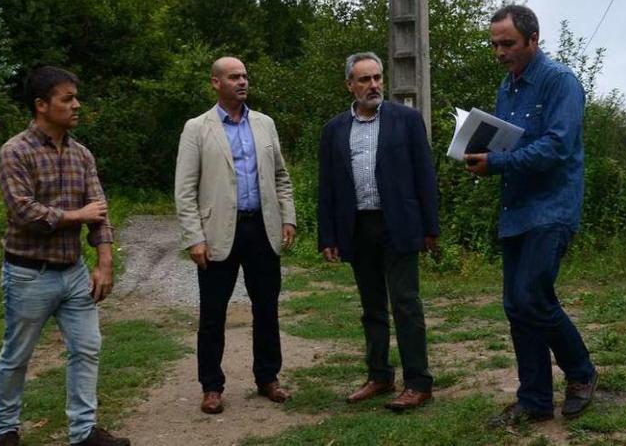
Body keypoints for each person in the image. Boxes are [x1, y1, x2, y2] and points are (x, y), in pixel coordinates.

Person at [465, 5, 598, 427]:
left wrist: (498, 163)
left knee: (533, 298)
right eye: (495, 45)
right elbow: (511, 144)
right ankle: (535, 400)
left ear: (533, 40)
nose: (500, 52)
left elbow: (558, 147)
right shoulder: (509, 87)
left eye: (508, 44)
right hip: (517, 209)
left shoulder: (561, 82)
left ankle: (581, 373)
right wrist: (479, 152)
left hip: (551, 207)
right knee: (516, 305)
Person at [0, 66, 129, 446]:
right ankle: (5, 431)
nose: (76, 105)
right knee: (16, 355)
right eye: (67, 99)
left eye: (75, 97)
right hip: (28, 274)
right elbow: (23, 212)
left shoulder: (81, 154)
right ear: (41, 105)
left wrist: (105, 262)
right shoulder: (14, 152)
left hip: (73, 274)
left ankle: (83, 433)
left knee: (87, 348)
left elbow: (99, 211)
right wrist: (76, 216)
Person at [174, 56, 297, 414]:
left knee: (267, 307)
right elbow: (185, 189)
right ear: (215, 83)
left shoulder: (265, 124)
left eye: (244, 76)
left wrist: (287, 218)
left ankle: (268, 377)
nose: (242, 82)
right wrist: (194, 237)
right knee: (213, 312)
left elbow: (281, 178)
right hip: (216, 233)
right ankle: (211, 386)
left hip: (262, 227)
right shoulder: (197, 128)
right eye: (233, 77)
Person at [317, 52, 439, 411]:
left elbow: (425, 176)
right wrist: (328, 236)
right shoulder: (335, 129)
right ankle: (379, 376)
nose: (373, 85)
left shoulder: (407, 120)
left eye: (377, 78)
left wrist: (430, 227)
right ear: (349, 85)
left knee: (405, 302)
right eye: (364, 80)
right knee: (372, 306)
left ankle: (418, 382)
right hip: (358, 226)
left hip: (399, 223)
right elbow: (328, 187)